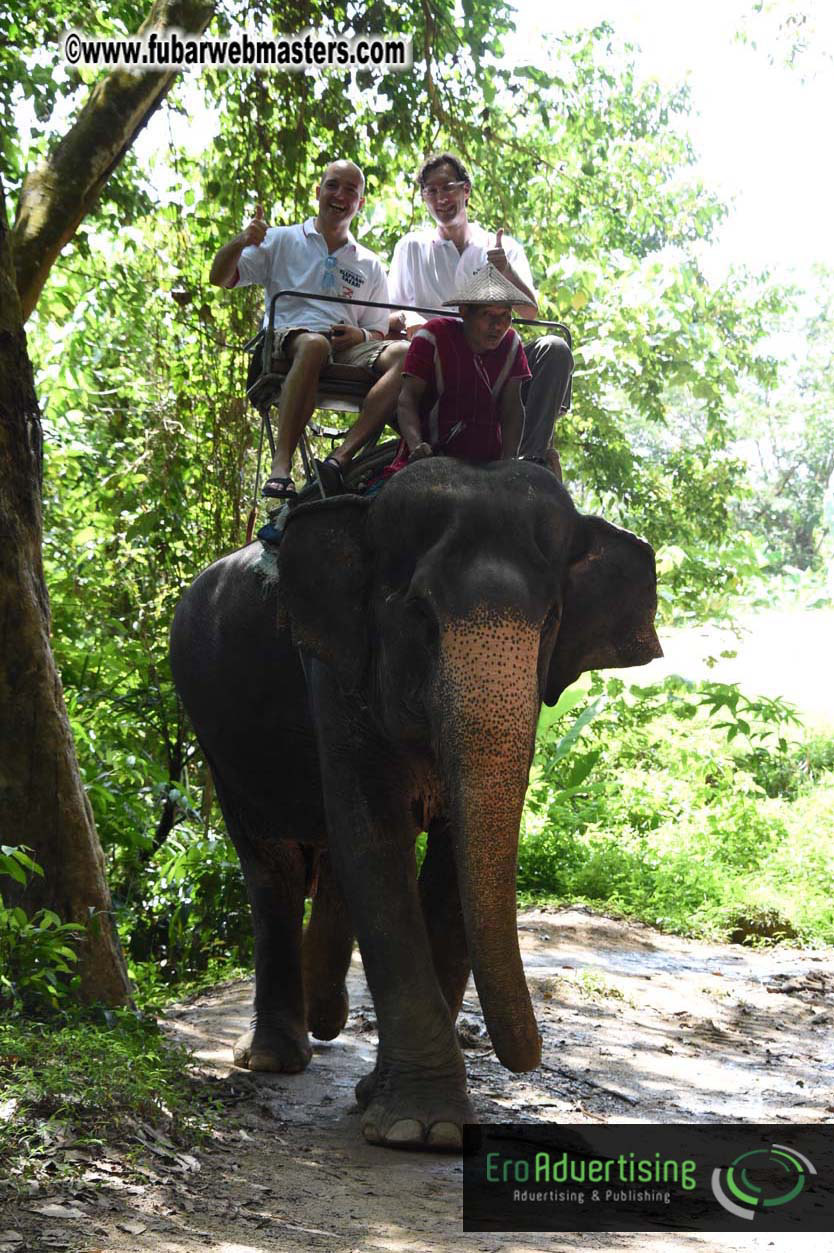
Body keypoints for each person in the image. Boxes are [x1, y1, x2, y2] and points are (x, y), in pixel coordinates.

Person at [328, 151, 572, 478]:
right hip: (440, 364)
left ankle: (528, 464)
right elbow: (390, 314)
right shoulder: (411, 247)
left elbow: (529, 310)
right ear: (424, 199)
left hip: (495, 361)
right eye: (431, 191)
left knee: (554, 348)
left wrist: (506, 270)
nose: (441, 198)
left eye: (449, 188)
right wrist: (412, 322)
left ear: (466, 191)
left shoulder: (500, 246)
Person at [209, 159, 408, 501]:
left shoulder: (368, 263)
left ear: (360, 203)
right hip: (291, 336)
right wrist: (242, 240)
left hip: (344, 344)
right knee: (314, 346)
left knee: (406, 353)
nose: (340, 195)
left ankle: (340, 458)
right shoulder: (282, 240)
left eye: (351, 190)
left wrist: (358, 336)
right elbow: (220, 277)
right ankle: (281, 466)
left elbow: (376, 329)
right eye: (333, 185)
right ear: (318, 192)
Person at [382, 264, 531, 478]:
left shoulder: (512, 344)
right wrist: (417, 447)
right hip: (433, 457)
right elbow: (408, 399)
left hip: (488, 462)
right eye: (488, 314)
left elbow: (513, 407)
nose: (498, 325)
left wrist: (509, 464)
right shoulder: (432, 336)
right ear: (464, 311)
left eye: (505, 316)